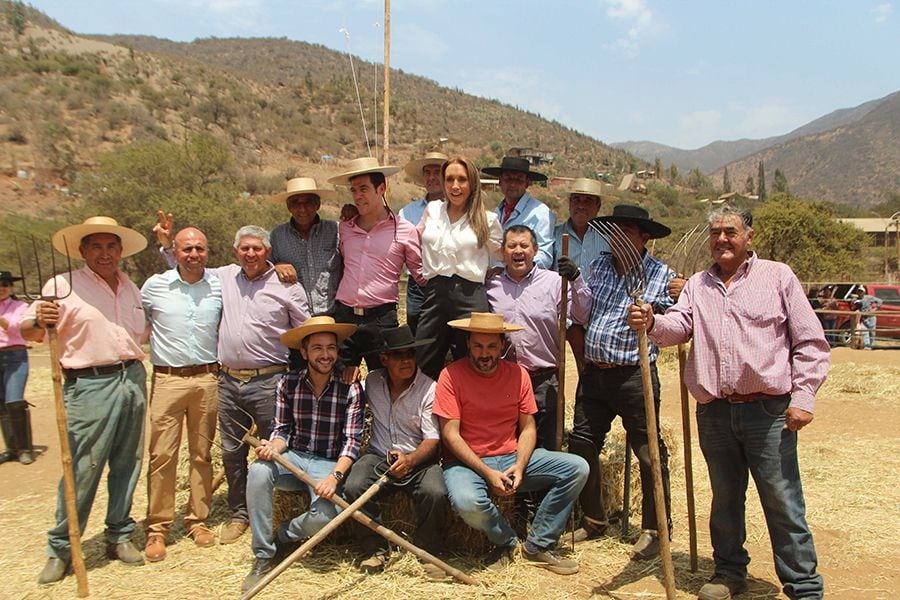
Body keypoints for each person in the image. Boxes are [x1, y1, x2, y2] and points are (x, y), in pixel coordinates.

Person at [628, 205, 829, 600]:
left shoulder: (778, 277)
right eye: (715, 232)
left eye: (731, 231)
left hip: (768, 410)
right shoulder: (698, 285)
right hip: (715, 411)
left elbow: (810, 342)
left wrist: (804, 396)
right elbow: (679, 327)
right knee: (724, 498)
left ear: (749, 236)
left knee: (782, 498)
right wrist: (652, 322)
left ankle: (803, 585)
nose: (722, 239)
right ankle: (729, 572)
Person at [154, 216, 310, 544]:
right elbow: (188, 267)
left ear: (268, 250)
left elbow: (306, 328)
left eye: (257, 248)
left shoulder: (286, 283)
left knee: (276, 449)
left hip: (270, 381)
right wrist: (168, 245)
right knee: (231, 452)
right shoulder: (222, 277)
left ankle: (274, 511)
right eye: (245, 248)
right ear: (235, 251)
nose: (251, 254)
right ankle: (240, 513)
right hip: (226, 382)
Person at [21, 216, 149, 584]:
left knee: (128, 462)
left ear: (120, 251)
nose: (105, 253)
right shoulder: (62, 285)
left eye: (111, 246)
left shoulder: (130, 287)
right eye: (96, 246)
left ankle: (120, 535)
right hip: (89, 383)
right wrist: (39, 320)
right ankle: (61, 547)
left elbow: (139, 334)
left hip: (133, 378)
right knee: (81, 467)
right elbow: (30, 331)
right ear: (82, 250)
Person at [433, 312, 588, 575]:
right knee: (467, 502)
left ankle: (538, 544)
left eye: (492, 346)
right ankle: (506, 542)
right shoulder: (450, 376)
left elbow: (528, 428)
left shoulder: (518, 375)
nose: (485, 353)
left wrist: (519, 464)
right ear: (468, 343)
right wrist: (487, 472)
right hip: (466, 463)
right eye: (478, 346)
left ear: (502, 346)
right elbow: (450, 435)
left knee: (577, 468)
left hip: (510, 456)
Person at [569, 204, 675, 556]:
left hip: (634, 374)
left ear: (645, 237)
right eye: (614, 231)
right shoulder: (597, 266)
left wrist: (660, 309)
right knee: (582, 445)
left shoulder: (660, 274)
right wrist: (575, 282)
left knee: (648, 452)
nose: (619, 238)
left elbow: (672, 322)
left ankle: (655, 528)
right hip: (595, 373)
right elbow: (582, 313)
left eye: (627, 231)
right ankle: (595, 519)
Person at [242, 316, 364, 592]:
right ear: (304, 352)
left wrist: (335, 477)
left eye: (331, 348)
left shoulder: (351, 388)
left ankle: (283, 535)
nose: (325, 355)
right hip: (294, 458)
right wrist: (274, 446)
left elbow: (352, 443)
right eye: (318, 348)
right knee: (259, 471)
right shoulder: (287, 383)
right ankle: (263, 555)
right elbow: (282, 429)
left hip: (328, 463)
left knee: (325, 516)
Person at [341, 325, 449, 579]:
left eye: (410, 354)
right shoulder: (373, 381)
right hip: (379, 455)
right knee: (354, 486)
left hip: (419, 459)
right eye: (399, 355)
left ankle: (426, 551)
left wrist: (410, 460)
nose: (406, 361)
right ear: (384, 359)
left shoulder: (429, 388)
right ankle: (374, 548)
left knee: (436, 492)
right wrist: (349, 370)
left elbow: (432, 439)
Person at [140, 227, 222, 561]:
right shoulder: (153, 287)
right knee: (162, 455)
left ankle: (197, 519)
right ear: (174, 252)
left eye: (199, 248)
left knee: (202, 454)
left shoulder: (218, 285)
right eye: (186, 249)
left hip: (207, 379)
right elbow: (136, 323)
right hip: (167, 380)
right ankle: (158, 528)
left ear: (207, 252)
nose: (193, 254)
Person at [486, 225, 591, 449]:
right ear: (502, 252)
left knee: (547, 446)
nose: (518, 251)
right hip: (503, 378)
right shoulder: (491, 284)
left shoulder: (555, 282)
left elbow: (581, 315)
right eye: (511, 245)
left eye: (524, 245)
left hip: (544, 380)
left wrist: (576, 279)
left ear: (535, 250)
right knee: (508, 444)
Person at [327, 157, 427, 382]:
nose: (358, 196)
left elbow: (421, 276)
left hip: (381, 319)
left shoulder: (404, 231)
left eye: (364, 189)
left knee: (384, 383)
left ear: (381, 188)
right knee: (340, 381)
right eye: (354, 190)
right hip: (344, 317)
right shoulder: (345, 227)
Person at [414, 156, 503, 380]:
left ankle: (474, 412)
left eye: (462, 179)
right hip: (434, 294)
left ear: (472, 183)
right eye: (449, 179)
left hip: (470, 296)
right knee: (425, 355)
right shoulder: (433, 210)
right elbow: (413, 240)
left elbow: (502, 254)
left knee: (473, 359)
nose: (455, 186)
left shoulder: (487, 219)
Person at [552, 178, 611, 373]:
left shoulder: (609, 237)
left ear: (598, 206)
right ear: (570, 204)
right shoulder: (554, 236)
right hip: (567, 314)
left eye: (588, 201)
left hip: (601, 312)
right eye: (576, 200)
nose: (581, 205)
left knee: (599, 369)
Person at [268, 177, 342, 317]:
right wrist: (276, 267)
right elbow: (264, 271)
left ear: (317, 204)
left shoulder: (335, 231)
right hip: (295, 317)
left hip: (335, 316)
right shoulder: (277, 236)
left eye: (308, 202)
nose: (302, 208)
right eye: (295, 202)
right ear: (289, 207)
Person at [399, 151, 448, 334]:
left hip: (450, 282)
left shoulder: (460, 210)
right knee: (417, 332)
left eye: (437, 172)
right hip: (417, 285)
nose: (432, 177)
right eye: (427, 173)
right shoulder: (406, 213)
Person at [481, 156, 555, 268]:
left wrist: (514, 269)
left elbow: (544, 256)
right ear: (500, 182)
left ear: (527, 183)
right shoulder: (496, 213)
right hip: (497, 281)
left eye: (519, 180)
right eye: (508, 179)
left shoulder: (540, 213)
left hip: (527, 283)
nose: (513, 184)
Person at [0, 270, 34, 465]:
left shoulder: (20, 306)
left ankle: (24, 448)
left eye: (5, 284)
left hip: (15, 356)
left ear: (11, 287)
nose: (1, 288)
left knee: (14, 401)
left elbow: (15, 328)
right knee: (2, 404)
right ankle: (11, 448)